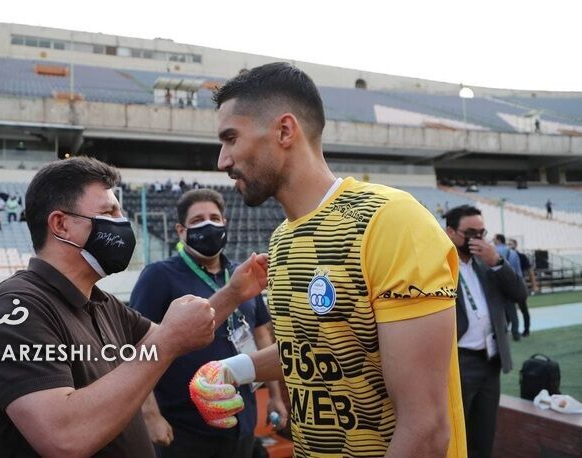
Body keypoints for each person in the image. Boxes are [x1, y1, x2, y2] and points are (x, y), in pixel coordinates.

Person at [189, 62, 466, 457]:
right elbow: (318, 348)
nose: (223, 160)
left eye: (231, 138)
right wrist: (234, 369)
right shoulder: (282, 240)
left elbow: (425, 430)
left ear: (285, 131)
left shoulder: (389, 221)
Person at [0, 157, 266, 457]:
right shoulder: (13, 309)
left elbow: (182, 332)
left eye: (120, 211)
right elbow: (64, 437)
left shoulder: (101, 302)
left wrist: (234, 293)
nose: (123, 223)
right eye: (109, 212)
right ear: (61, 225)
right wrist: (167, 342)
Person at [131, 189, 285, 458]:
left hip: (242, 418)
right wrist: (150, 414)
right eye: (198, 220)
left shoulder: (242, 273)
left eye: (214, 218)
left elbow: (261, 335)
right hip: (184, 427)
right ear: (181, 230)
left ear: (225, 223)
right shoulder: (159, 276)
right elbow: (138, 346)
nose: (208, 225)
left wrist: (275, 395)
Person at [444, 205, 527, 458]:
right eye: (471, 233)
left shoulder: (487, 263)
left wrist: (498, 262)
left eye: (482, 233)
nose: (478, 239)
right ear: (450, 232)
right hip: (459, 362)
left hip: (490, 361)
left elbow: (519, 294)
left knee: (484, 434)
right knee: (455, 437)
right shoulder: (440, 265)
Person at [493, 233, 524, 341]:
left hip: (497, 284)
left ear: (498, 240)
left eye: (494, 239)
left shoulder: (493, 251)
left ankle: (500, 332)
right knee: (511, 310)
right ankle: (515, 332)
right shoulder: (513, 252)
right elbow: (518, 270)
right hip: (511, 284)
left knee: (497, 310)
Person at [508, 238, 533, 336]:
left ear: (515, 245)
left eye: (511, 244)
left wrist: (533, 284)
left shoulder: (521, 256)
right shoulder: (505, 255)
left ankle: (526, 330)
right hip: (509, 285)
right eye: (508, 244)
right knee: (509, 309)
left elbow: (529, 270)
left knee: (523, 309)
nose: (509, 246)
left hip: (519, 285)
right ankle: (510, 330)